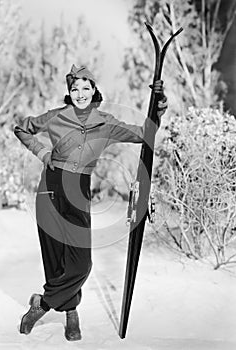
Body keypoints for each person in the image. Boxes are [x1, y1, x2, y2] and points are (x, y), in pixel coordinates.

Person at [14, 64, 167, 341]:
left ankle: (42, 305)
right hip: (50, 187)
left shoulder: (106, 123)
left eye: (86, 88)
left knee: (81, 262)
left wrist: (157, 106)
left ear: (95, 90)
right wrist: (42, 152)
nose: (80, 93)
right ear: (69, 92)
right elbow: (22, 129)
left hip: (79, 190)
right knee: (55, 256)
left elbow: (144, 133)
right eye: (75, 89)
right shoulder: (56, 117)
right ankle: (71, 313)